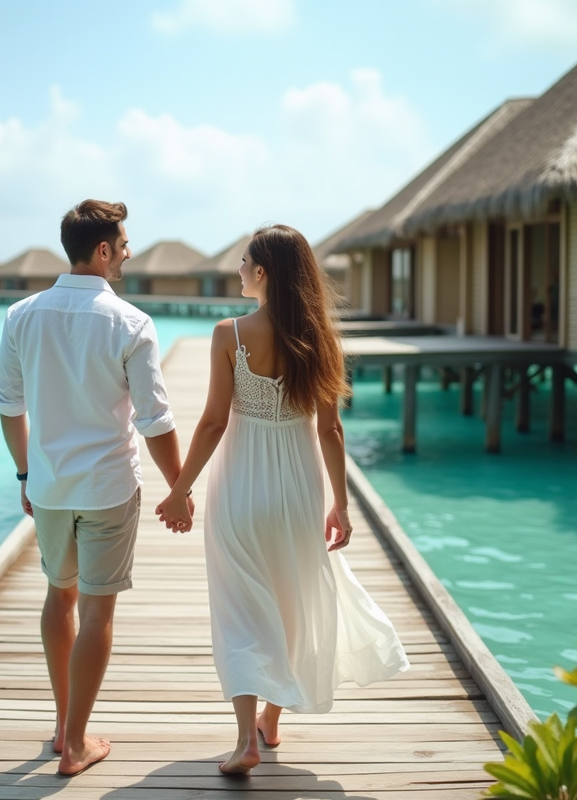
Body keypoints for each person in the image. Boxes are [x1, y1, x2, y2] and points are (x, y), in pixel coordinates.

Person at [156, 224, 409, 775]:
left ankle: (247, 736)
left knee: (241, 609)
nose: (239, 270)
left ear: (264, 272)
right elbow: (331, 431)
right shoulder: (320, 340)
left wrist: (180, 491)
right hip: (298, 488)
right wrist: (340, 503)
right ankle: (273, 719)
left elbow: (213, 423)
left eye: (245, 262)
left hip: (242, 488)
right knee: (291, 603)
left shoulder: (230, 334)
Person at [0, 200, 193, 776]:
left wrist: (26, 472)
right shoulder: (131, 323)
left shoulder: (21, 316)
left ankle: (62, 726)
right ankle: (76, 744)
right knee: (98, 616)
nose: (128, 251)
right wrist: (178, 487)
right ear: (103, 250)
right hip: (108, 488)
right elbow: (154, 419)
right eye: (124, 243)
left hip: (51, 488)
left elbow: (9, 406)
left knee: (61, 595)